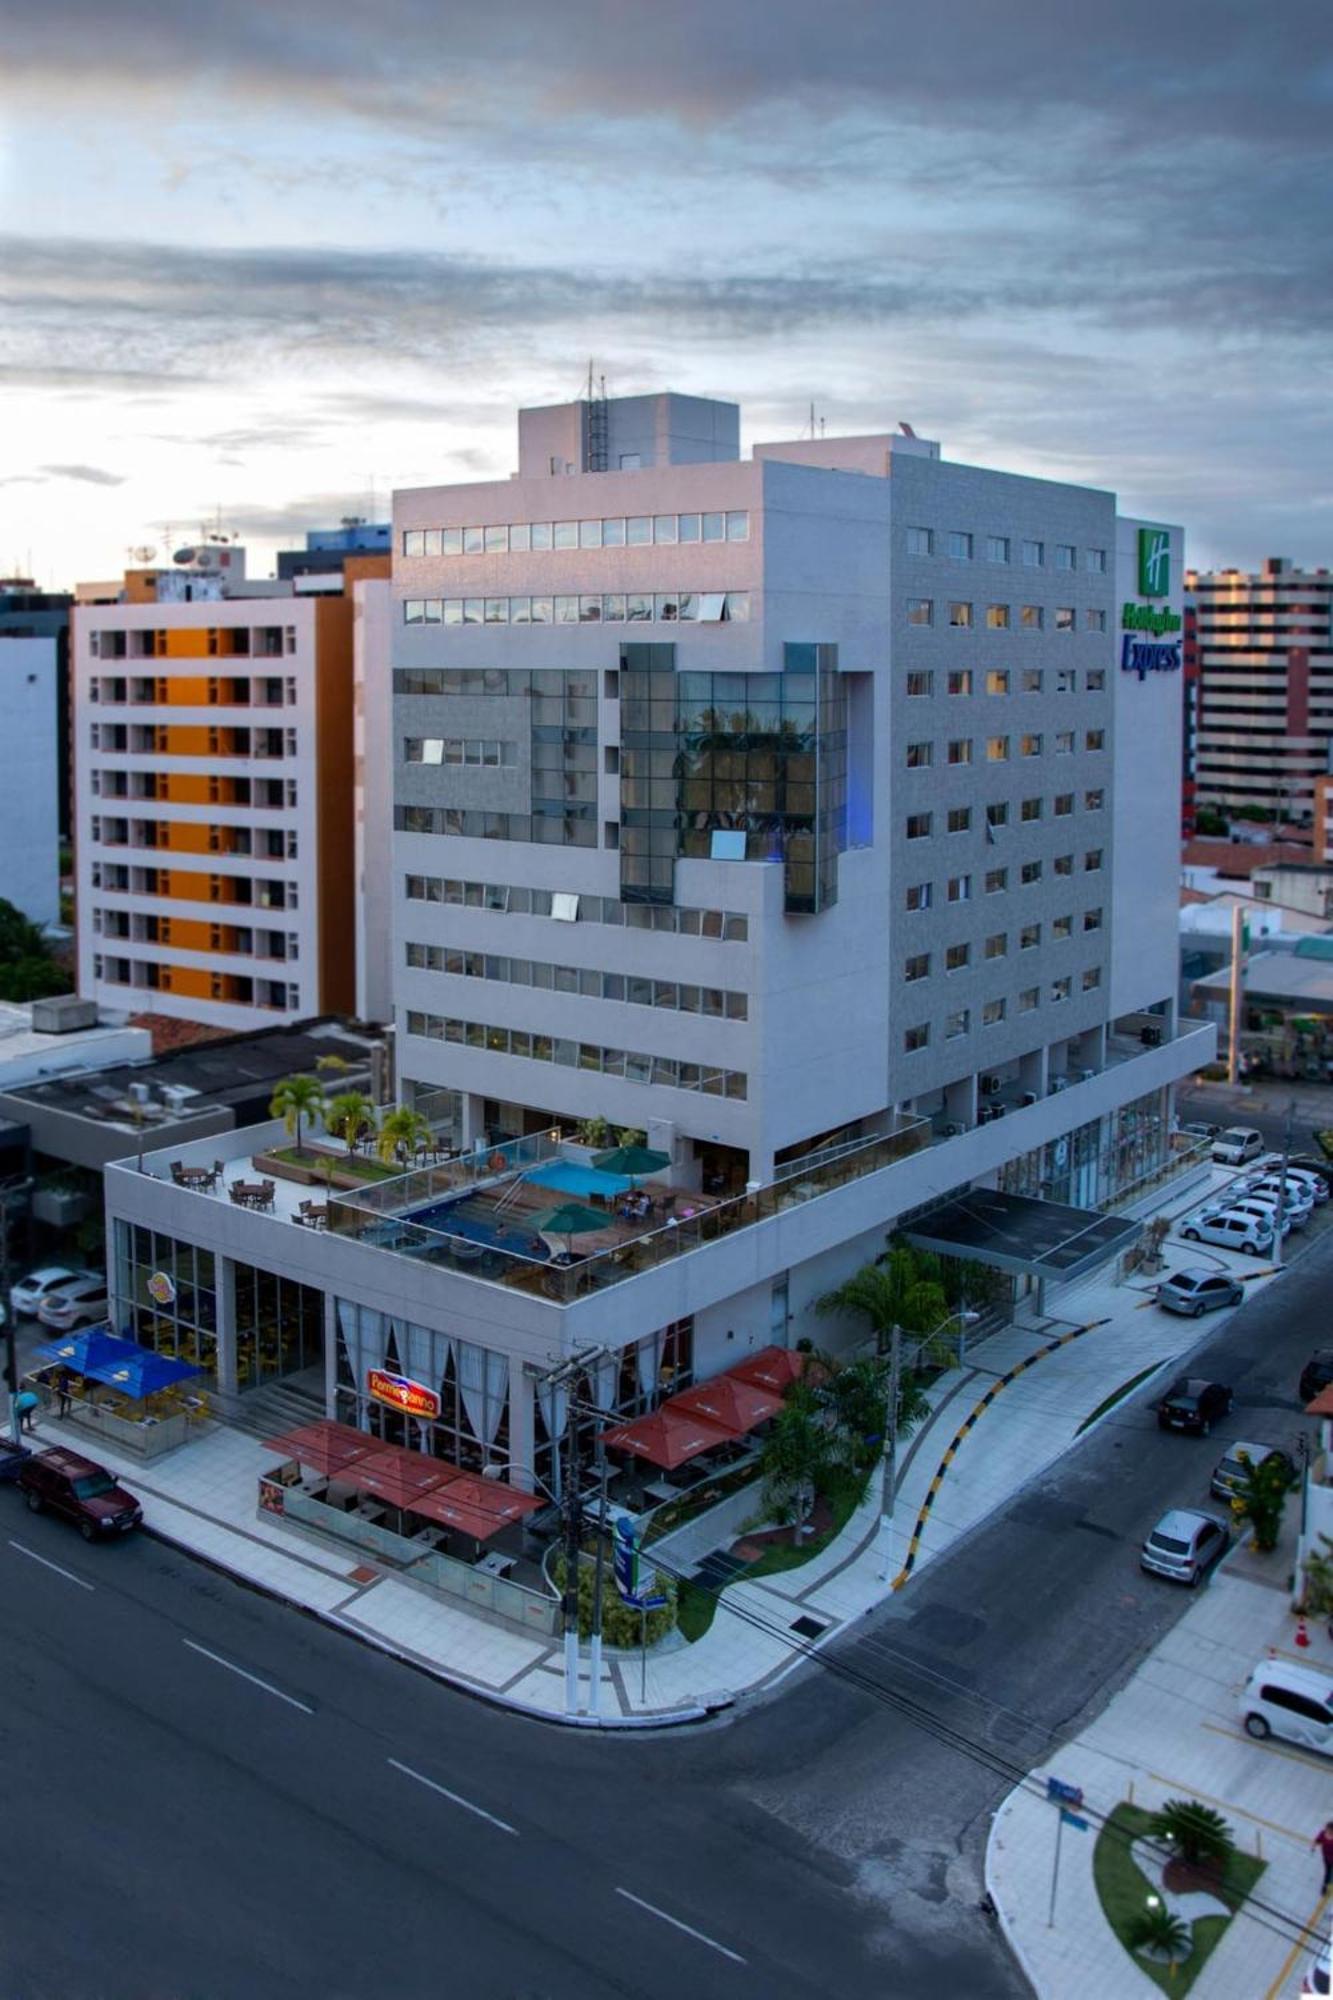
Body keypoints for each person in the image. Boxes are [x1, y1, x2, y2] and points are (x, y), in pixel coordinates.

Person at [1314, 1822, 1333, 1894]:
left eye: (1330, 1830)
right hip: (1327, 1858)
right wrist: (1313, 1845)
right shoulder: (1323, 1834)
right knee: (1328, 1872)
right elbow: (1317, 1840)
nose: (1328, 1831)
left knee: (1329, 1872)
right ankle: (1324, 1887)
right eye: (1327, 1829)